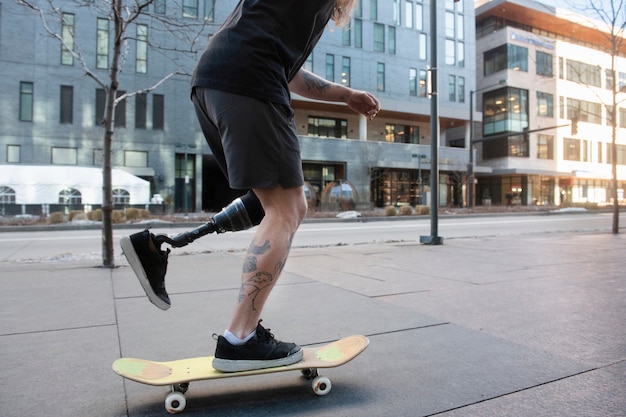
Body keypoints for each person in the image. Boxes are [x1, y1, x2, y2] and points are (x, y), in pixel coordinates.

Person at [120, 0, 380, 373]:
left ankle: (159, 245)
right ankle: (240, 338)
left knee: (265, 201)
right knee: (288, 208)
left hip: (215, 81)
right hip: (250, 81)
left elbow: (291, 73)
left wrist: (345, 95)